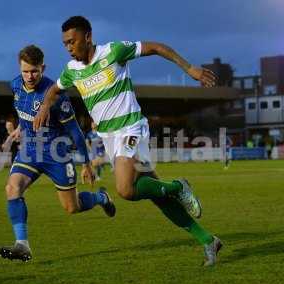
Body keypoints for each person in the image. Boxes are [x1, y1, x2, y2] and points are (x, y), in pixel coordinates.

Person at [33, 16, 222, 266]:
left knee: (124, 189)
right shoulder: (71, 71)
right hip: (110, 138)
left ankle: (179, 186)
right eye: (65, 43)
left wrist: (190, 69)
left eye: (72, 41)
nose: (68, 47)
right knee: (158, 196)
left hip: (131, 127)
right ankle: (208, 240)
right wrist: (45, 106)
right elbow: (55, 89)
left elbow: (155, 47)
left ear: (87, 37)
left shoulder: (113, 51)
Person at [0, 45, 116, 262]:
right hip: (30, 151)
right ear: (19, 68)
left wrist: (86, 165)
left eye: (34, 71)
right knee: (12, 188)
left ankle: (101, 197)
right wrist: (20, 129)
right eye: (25, 71)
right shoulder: (15, 85)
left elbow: (75, 132)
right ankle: (22, 245)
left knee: (72, 207)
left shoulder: (56, 96)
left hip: (56, 155)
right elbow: (26, 115)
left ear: (43, 67)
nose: (29, 76)